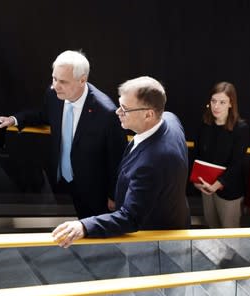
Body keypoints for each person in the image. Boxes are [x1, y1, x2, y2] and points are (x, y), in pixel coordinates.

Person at [52, 76, 191, 247]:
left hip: (155, 241)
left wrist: (83, 226)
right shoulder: (170, 119)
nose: (117, 112)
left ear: (149, 114)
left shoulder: (153, 161)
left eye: (125, 109)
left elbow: (130, 217)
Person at [0, 50, 127, 218]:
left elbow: (118, 159)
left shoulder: (107, 113)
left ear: (82, 80)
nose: (56, 85)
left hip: (94, 191)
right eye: (54, 78)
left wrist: (113, 196)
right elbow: (45, 115)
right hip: (62, 182)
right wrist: (14, 119)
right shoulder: (53, 94)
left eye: (63, 81)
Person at [193, 82, 249, 228]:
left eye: (222, 102)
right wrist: (196, 180)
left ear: (231, 104)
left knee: (229, 233)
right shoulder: (205, 124)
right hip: (206, 187)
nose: (216, 106)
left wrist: (217, 185)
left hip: (228, 190)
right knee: (211, 227)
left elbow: (237, 164)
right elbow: (197, 155)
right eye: (213, 101)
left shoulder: (240, 128)